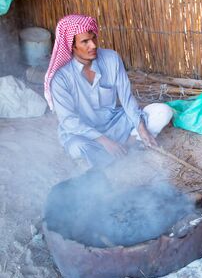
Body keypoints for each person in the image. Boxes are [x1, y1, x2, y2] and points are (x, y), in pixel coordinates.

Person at [44, 14, 173, 168]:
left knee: (163, 112)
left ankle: (126, 145)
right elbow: (69, 121)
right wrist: (104, 141)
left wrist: (142, 129)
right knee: (77, 148)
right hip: (86, 133)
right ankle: (120, 148)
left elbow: (126, 99)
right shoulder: (61, 79)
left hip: (115, 124)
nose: (93, 45)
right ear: (71, 46)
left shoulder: (112, 59)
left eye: (93, 38)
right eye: (85, 41)